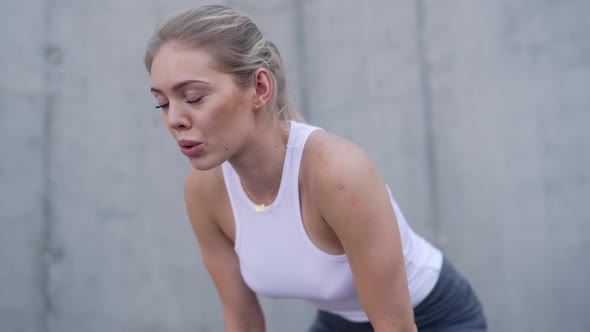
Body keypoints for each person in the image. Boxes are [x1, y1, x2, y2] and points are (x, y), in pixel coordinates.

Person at [144, 5, 487, 332]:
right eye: (161, 102)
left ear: (260, 88)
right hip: (341, 322)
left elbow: (395, 326)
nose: (174, 119)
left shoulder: (337, 174)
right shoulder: (204, 191)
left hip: (430, 318)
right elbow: (243, 321)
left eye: (192, 97)